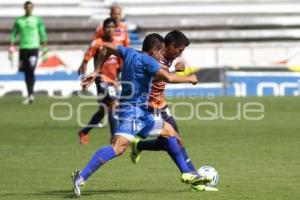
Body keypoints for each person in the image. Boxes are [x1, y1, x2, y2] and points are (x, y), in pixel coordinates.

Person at [71, 33, 212, 198]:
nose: (160, 56)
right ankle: (81, 176)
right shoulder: (149, 62)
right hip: (133, 112)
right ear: (154, 50)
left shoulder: (129, 52)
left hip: (141, 112)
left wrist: (96, 70)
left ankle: (186, 173)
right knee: (118, 147)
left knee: (170, 132)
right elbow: (168, 77)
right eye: (160, 52)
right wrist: (190, 78)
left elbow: (105, 48)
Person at [130, 30, 198, 174]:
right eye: (180, 50)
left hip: (161, 104)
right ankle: (192, 176)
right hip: (149, 106)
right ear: (171, 46)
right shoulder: (155, 57)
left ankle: (139, 145)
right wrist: (182, 75)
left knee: (170, 142)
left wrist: (173, 69)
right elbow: (156, 77)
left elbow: (163, 76)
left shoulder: (169, 57)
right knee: (176, 140)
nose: (180, 54)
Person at [77, 18, 122, 144]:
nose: (110, 29)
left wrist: (118, 79)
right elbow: (87, 59)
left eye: (112, 27)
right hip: (101, 79)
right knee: (113, 104)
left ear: (115, 29)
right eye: (107, 27)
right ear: (103, 28)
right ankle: (114, 138)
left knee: (103, 110)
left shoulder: (117, 44)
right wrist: (85, 77)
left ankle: (84, 132)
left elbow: (120, 64)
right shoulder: (97, 43)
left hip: (113, 81)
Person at [9, 1, 48, 104]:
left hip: (34, 48)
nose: (29, 9)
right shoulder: (19, 20)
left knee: (31, 69)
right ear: (24, 8)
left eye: (30, 7)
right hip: (23, 48)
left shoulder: (37, 20)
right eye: (27, 7)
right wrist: (12, 45)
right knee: (26, 72)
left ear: (32, 8)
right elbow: (14, 33)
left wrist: (45, 46)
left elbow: (42, 32)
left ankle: (31, 94)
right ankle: (30, 94)